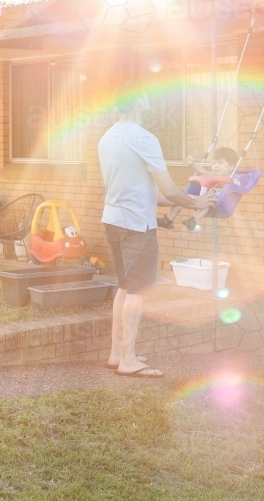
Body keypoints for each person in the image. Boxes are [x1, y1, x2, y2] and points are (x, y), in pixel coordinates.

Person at [98, 81, 211, 378]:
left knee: (124, 287)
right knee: (136, 291)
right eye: (146, 96)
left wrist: (180, 202)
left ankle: (116, 354)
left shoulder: (107, 137)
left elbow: (138, 190)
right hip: (137, 226)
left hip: (112, 221)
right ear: (138, 103)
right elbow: (171, 190)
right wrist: (196, 201)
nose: (150, 100)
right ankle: (129, 360)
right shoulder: (144, 138)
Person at [158, 146, 239, 232]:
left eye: (220, 163)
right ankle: (173, 220)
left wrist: (227, 181)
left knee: (184, 197)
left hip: (220, 202)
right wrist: (191, 164)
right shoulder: (213, 175)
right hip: (205, 200)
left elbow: (236, 187)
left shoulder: (233, 179)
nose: (216, 166)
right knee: (181, 199)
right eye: (214, 163)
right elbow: (203, 171)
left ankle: (187, 220)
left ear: (231, 166)